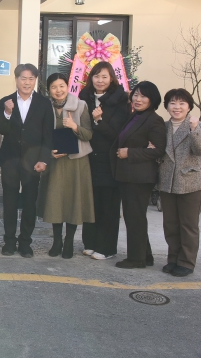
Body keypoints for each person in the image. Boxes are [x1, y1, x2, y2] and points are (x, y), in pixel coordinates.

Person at [0, 63, 53, 258]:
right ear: (16, 79)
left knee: (30, 202)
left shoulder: (44, 103)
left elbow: (48, 135)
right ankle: (9, 241)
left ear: (35, 80)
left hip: (33, 161)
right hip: (10, 160)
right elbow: (2, 129)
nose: (27, 82)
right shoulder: (6, 102)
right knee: (9, 202)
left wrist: (44, 159)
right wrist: (7, 113)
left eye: (31, 79)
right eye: (23, 78)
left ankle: (25, 242)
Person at [36, 73, 94, 259]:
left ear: (67, 86)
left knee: (73, 201)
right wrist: (48, 153)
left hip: (76, 162)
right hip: (55, 161)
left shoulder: (80, 105)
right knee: (56, 201)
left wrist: (74, 126)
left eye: (61, 86)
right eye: (54, 87)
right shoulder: (45, 107)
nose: (58, 90)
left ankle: (69, 241)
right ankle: (57, 241)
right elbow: (39, 135)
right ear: (49, 90)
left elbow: (89, 134)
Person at [110, 81, 166, 269]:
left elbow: (158, 150)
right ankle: (145, 255)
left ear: (152, 99)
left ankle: (136, 259)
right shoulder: (135, 116)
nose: (138, 99)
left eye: (143, 96)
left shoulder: (154, 120)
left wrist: (130, 152)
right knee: (134, 217)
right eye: (136, 94)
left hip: (139, 177)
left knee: (135, 217)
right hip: (128, 175)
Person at [156, 88, 201, 277]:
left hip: (190, 182)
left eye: (181, 103)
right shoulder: (163, 127)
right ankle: (173, 259)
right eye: (172, 103)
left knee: (188, 225)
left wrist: (194, 130)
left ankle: (186, 262)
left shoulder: (200, 126)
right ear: (167, 106)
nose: (177, 107)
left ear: (189, 106)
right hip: (167, 182)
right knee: (170, 224)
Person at [78, 61, 130, 260]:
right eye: (96, 76)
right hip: (88, 158)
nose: (100, 80)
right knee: (91, 203)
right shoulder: (85, 97)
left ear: (112, 79)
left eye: (104, 77)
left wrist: (99, 121)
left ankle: (106, 248)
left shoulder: (120, 101)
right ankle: (90, 243)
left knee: (108, 205)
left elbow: (117, 134)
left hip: (109, 160)